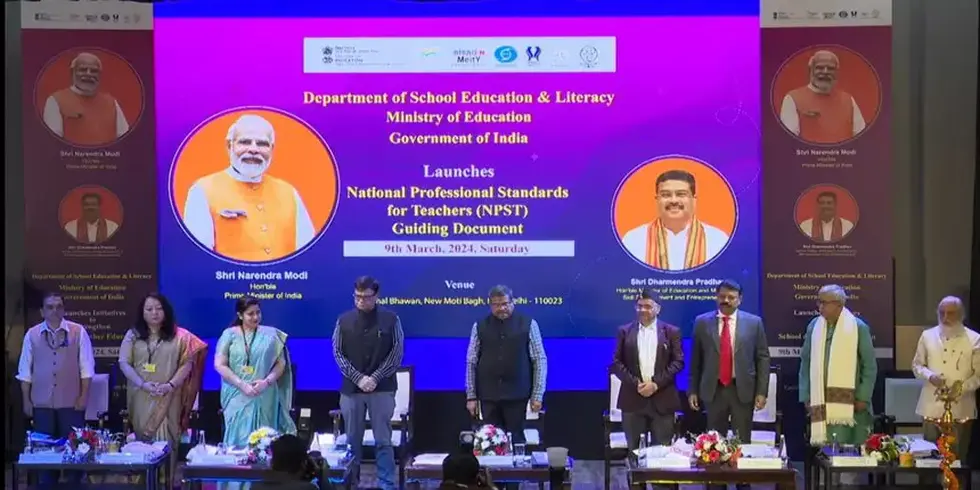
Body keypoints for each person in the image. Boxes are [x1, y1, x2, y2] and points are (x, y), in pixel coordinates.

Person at [182, 114, 316, 262]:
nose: (253, 149)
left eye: (262, 144)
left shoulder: (289, 192)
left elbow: (309, 255)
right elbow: (198, 260)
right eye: (245, 142)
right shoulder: (202, 190)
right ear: (230, 146)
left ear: (271, 149)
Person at [117, 293, 206, 467]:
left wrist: (170, 385)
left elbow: (187, 363)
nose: (154, 313)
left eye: (159, 309)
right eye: (149, 309)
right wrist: (143, 384)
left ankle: (168, 478)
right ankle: (147, 479)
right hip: (142, 395)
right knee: (144, 442)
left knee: (169, 441)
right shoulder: (133, 335)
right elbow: (124, 362)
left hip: (170, 395)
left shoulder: (180, 336)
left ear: (166, 311)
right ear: (142, 312)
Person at [332, 276, 404, 490]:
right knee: (352, 441)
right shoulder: (343, 321)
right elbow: (337, 353)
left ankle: (386, 483)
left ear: (376, 296)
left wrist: (375, 378)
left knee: (383, 440)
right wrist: (359, 378)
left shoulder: (391, 320)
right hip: (351, 390)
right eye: (357, 297)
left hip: (382, 389)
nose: (361, 301)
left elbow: (397, 353)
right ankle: (351, 483)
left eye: (366, 297)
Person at [17, 292, 95, 487]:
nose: (55, 310)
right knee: (44, 457)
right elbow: (25, 371)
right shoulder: (32, 334)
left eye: (59, 306)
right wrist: (26, 401)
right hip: (41, 405)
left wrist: (83, 396)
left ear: (64, 309)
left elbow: (86, 368)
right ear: (42, 311)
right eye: (50, 307)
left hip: (71, 404)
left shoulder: (78, 332)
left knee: (75, 455)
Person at [688, 280, 770, 454]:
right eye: (722, 296)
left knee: (742, 442)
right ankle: (716, 473)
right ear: (716, 297)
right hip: (714, 390)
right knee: (713, 444)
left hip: (742, 390)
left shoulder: (754, 323)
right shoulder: (702, 322)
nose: (726, 300)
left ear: (739, 299)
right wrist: (692, 390)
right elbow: (695, 360)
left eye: (731, 297)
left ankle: (741, 472)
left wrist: (762, 392)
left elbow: (762, 358)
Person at [465, 285, 548, 445]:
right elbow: (471, 361)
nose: (501, 308)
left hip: (518, 397)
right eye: (496, 305)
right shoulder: (479, 326)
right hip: (488, 397)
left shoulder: (528, 324)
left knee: (516, 442)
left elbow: (539, 360)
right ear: (490, 305)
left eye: (505, 304)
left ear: (513, 302)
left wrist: (537, 395)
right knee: (490, 443)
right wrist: (471, 396)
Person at [799, 284, 878, 446]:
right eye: (819, 302)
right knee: (824, 450)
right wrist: (806, 395)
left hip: (852, 404)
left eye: (824, 303)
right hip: (821, 400)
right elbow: (805, 363)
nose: (820, 307)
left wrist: (863, 397)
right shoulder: (814, 327)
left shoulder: (858, 328)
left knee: (849, 451)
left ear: (839, 304)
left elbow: (869, 366)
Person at [214, 296, 296, 450]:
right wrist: (242, 385)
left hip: (265, 393)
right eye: (250, 314)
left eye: (258, 312)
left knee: (265, 441)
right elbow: (219, 365)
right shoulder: (229, 335)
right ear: (240, 315)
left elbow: (281, 364)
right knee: (237, 442)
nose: (256, 317)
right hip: (237, 393)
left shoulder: (272, 335)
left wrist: (266, 382)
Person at [610, 289, 684, 449]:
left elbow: (678, 363)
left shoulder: (671, 332)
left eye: (648, 306)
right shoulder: (624, 331)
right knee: (634, 451)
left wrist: (655, 384)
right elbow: (616, 363)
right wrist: (636, 384)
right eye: (639, 306)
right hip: (632, 400)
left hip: (663, 400)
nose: (643, 310)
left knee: (661, 453)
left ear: (658, 309)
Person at [912, 296, 980, 461]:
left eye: (950, 313)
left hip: (961, 409)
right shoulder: (927, 336)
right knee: (928, 459)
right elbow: (917, 365)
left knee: (956, 460)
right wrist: (930, 376)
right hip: (931, 407)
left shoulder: (974, 339)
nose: (945, 318)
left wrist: (959, 389)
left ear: (961, 315)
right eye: (941, 313)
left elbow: (978, 375)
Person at [621, 170, 730, 271]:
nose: (673, 200)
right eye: (666, 195)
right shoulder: (634, 240)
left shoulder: (718, 240)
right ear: (657, 200)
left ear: (694, 200)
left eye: (681, 194)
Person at [779, 50, 867, 144]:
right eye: (820, 67)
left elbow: (862, 137)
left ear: (836, 72)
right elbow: (789, 141)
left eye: (830, 68)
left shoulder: (848, 100)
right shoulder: (793, 98)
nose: (825, 72)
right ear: (811, 70)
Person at [42, 52, 131, 146]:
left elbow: (124, 138)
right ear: (73, 72)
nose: (89, 74)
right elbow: (53, 143)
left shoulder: (111, 102)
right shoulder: (56, 101)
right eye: (83, 69)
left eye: (94, 71)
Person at [252, 434, 323, 490]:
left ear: (272, 462)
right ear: (303, 464)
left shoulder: (256, 487)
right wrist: (323, 478)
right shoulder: (308, 488)